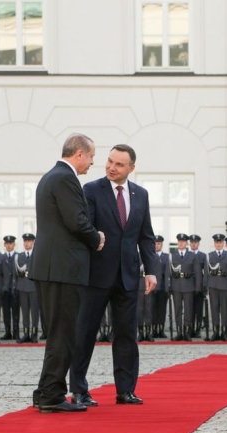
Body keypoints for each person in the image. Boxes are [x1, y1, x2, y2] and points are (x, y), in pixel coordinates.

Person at [70, 144, 157, 407]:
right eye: (109, 161)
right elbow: (86, 229)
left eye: (119, 164)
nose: (111, 167)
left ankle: (125, 390)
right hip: (96, 275)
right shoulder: (92, 190)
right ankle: (79, 390)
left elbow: (146, 236)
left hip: (129, 276)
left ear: (131, 168)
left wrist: (151, 270)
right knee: (85, 333)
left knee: (126, 334)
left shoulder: (140, 195)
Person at [31, 133, 104, 413]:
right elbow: (76, 220)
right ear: (79, 154)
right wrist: (96, 237)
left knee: (57, 333)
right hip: (62, 269)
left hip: (52, 267)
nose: (92, 163)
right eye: (92, 157)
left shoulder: (51, 176)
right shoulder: (65, 178)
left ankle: (45, 391)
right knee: (64, 333)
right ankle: (52, 396)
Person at [169, 233, 202, 341]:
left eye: (183, 241)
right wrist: (168, 287)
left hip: (189, 285)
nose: (181, 243)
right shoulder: (172, 256)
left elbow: (197, 272)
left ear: (186, 243)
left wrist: (198, 287)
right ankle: (179, 331)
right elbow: (168, 272)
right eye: (179, 241)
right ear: (177, 242)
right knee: (177, 309)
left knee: (188, 310)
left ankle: (187, 331)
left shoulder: (192, 256)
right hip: (176, 285)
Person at [204, 233, 227, 341]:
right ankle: (215, 331)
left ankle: (224, 332)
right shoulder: (209, 256)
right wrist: (206, 287)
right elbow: (206, 273)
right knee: (214, 309)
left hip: (225, 285)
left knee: (225, 310)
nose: (218, 244)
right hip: (213, 285)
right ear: (214, 244)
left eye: (220, 242)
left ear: (223, 243)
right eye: (216, 242)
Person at [15, 233, 39, 343]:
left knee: (34, 312)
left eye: (29, 241)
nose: (26, 243)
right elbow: (16, 273)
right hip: (22, 287)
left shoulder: (37, 255)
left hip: (34, 287)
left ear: (33, 242)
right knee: (24, 312)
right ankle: (25, 333)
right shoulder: (19, 256)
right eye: (25, 241)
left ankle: (34, 334)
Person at [151, 235, 171, 338]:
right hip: (152, 287)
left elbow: (167, 274)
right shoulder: (150, 256)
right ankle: (154, 329)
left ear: (161, 245)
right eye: (155, 243)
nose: (156, 245)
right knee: (153, 310)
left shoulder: (166, 257)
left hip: (162, 287)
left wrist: (168, 288)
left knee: (162, 310)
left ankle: (161, 329)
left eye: (158, 243)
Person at [1, 235, 19, 340]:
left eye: (11, 243)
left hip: (15, 288)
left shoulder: (18, 256)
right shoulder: (2, 257)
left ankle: (16, 332)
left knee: (15, 312)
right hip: (5, 289)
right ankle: (8, 332)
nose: (9, 245)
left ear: (14, 244)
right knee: (6, 312)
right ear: (4, 245)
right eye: (7, 243)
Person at [188, 234, 207, 338]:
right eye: (192, 242)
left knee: (199, 310)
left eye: (195, 242)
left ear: (198, 244)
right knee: (189, 309)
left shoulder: (203, 256)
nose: (194, 244)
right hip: (189, 285)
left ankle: (198, 329)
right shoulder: (187, 255)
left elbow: (205, 273)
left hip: (199, 286)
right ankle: (190, 329)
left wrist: (203, 286)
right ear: (190, 243)